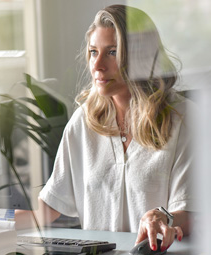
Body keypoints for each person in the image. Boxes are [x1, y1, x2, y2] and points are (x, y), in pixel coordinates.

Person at [16, 4, 193, 252]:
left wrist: (162, 217)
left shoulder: (181, 119)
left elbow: (191, 212)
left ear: (141, 56)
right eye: (93, 52)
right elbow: (46, 212)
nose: (97, 65)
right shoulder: (83, 122)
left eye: (112, 52)